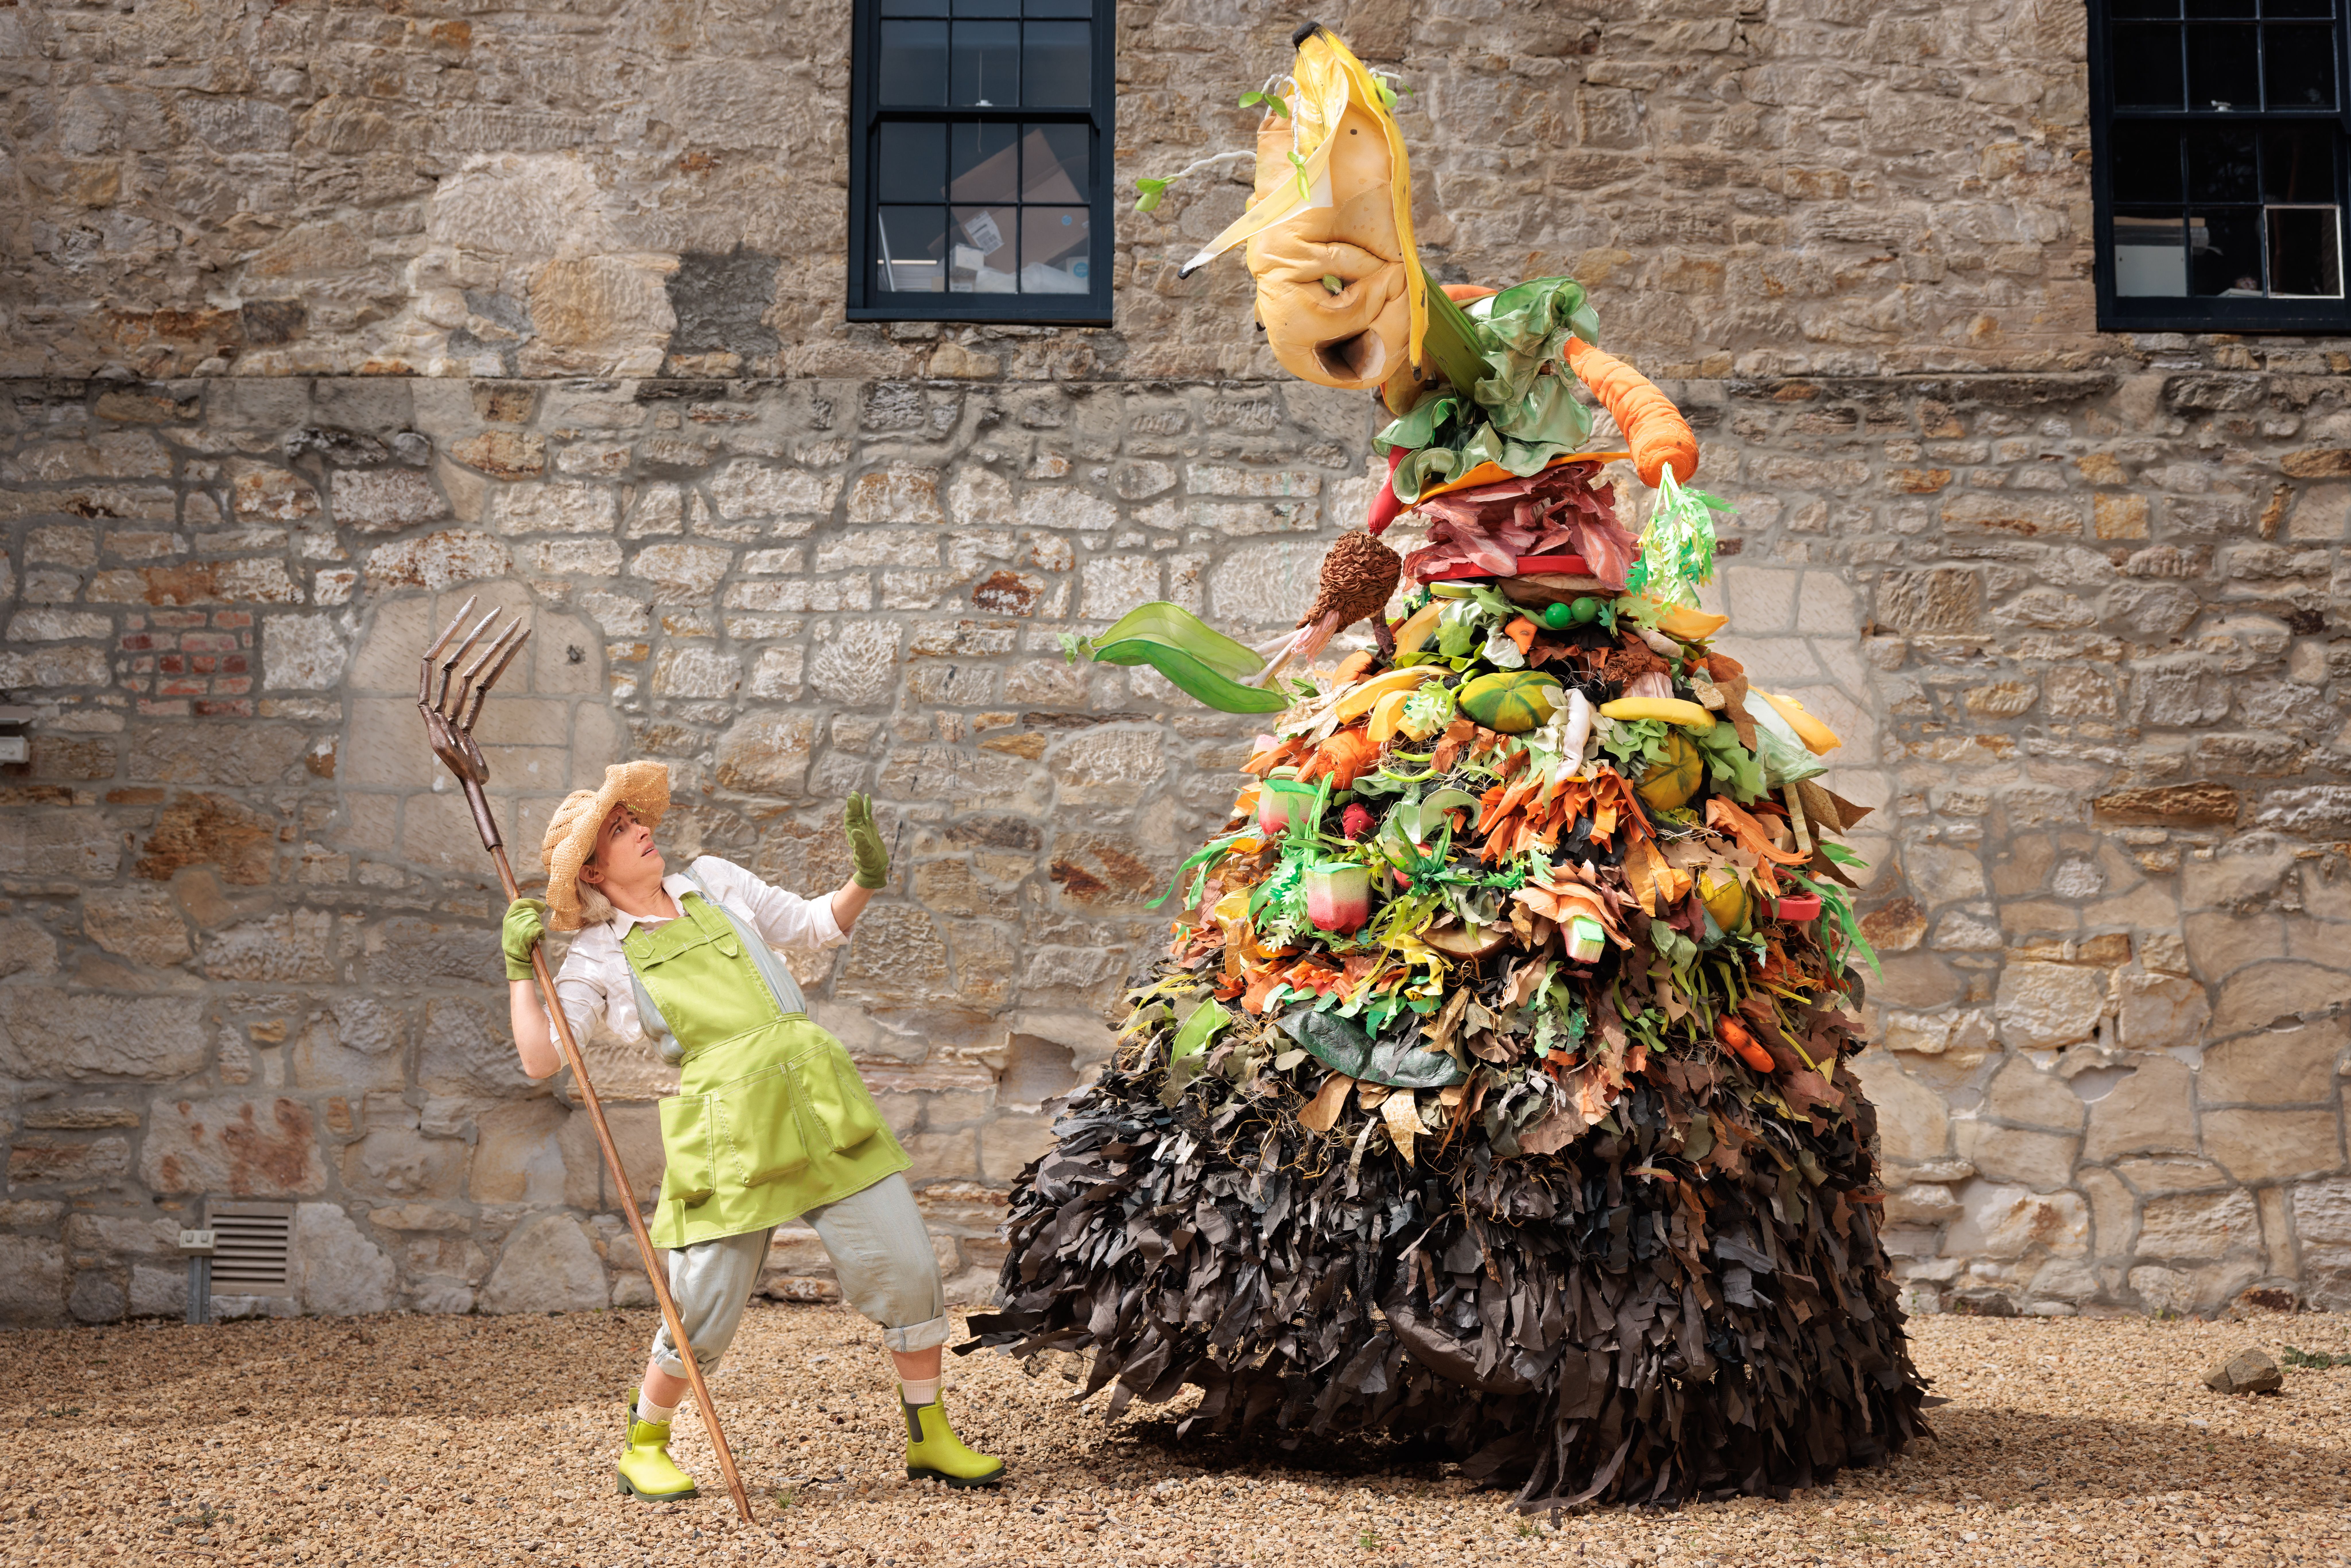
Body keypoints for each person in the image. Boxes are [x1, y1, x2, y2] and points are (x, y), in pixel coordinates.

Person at [500, 761, 1004, 1501]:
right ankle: (646, 1446)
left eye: (635, 820)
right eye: (619, 830)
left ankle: (930, 1437)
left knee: (909, 1265)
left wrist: (865, 877)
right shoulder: (598, 957)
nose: (642, 830)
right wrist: (521, 971)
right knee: (701, 1303)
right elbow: (544, 1058)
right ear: (594, 873)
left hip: (819, 1096)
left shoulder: (714, 880)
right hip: (727, 1126)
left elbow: (815, 925)